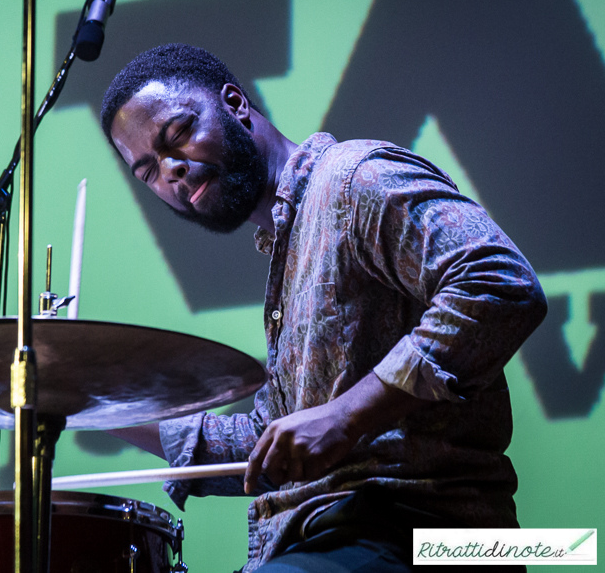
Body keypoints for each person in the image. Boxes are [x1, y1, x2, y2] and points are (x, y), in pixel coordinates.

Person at [102, 44, 547, 572]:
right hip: (335, 543)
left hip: (426, 535)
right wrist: (92, 407)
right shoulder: (285, 246)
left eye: (177, 134)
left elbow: (500, 282)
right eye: (148, 170)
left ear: (237, 105)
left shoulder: (354, 179)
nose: (172, 170)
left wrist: (347, 414)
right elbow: (276, 445)